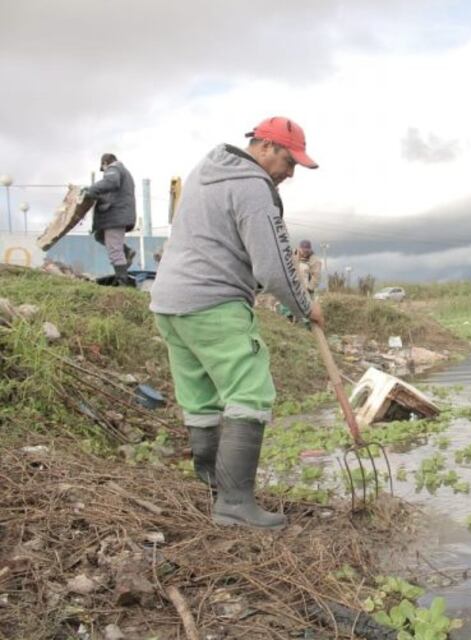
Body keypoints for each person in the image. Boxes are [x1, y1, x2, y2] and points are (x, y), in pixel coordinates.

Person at [150, 116, 323, 530]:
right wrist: (306, 306)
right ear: (265, 147)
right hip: (214, 303)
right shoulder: (252, 185)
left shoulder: (205, 172)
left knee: (201, 397)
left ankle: (211, 490)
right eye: (290, 162)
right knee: (251, 392)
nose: (290, 174)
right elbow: (275, 266)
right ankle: (233, 504)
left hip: (170, 304)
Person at [83, 153, 137, 286]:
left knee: (114, 248)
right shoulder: (123, 172)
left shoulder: (114, 168)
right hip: (116, 214)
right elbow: (111, 192)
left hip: (115, 215)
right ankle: (126, 251)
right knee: (100, 236)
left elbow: (111, 182)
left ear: (105, 163)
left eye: (103, 168)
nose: (104, 171)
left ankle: (122, 282)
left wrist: (91, 190)